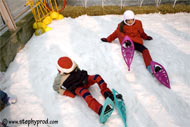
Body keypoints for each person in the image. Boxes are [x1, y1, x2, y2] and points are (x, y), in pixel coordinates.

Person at [53, 56, 122, 116]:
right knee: (85, 93)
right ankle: (100, 109)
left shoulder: (74, 65)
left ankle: (107, 94)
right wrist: (67, 93)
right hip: (77, 87)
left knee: (97, 77)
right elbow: (55, 88)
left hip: (84, 80)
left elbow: (78, 71)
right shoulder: (59, 79)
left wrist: (85, 78)